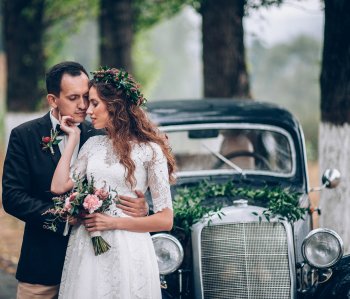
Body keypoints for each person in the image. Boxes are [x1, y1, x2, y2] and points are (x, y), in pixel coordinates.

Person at [2, 61, 148, 299]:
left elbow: (123, 180)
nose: (82, 105)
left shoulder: (102, 134)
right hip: (42, 267)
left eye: (86, 96)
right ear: (53, 100)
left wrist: (142, 206)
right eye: (73, 98)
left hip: (93, 266)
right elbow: (13, 197)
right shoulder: (24, 135)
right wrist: (63, 216)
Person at [50, 67, 175, 298]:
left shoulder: (150, 151)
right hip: (88, 246)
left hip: (130, 247)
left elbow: (165, 220)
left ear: (115, 105)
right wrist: (73, 139)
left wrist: (113, 223)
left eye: (95, 103)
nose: (88, 110)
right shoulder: (92, 146)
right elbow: (58, 187)